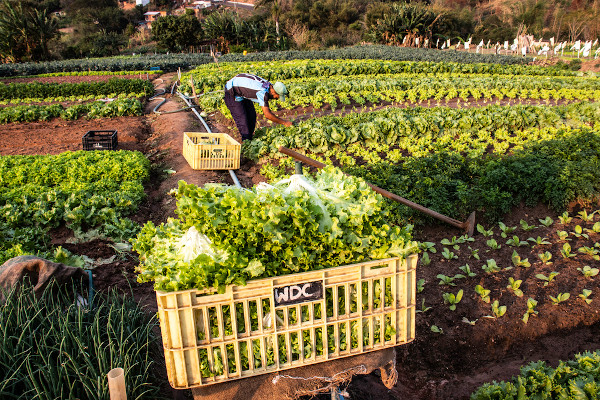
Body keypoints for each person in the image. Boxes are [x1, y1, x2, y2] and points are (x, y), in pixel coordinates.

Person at [224, 73, 293, 141]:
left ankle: (249, 137)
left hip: (241, 90)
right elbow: (267, 115)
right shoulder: (262, 92)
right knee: (242, 120)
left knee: (252, 115)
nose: (277, 98)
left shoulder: (269, 85)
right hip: (232, 91)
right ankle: (246, 141)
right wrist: (284, 122)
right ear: (273, 91)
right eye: (278, 96)